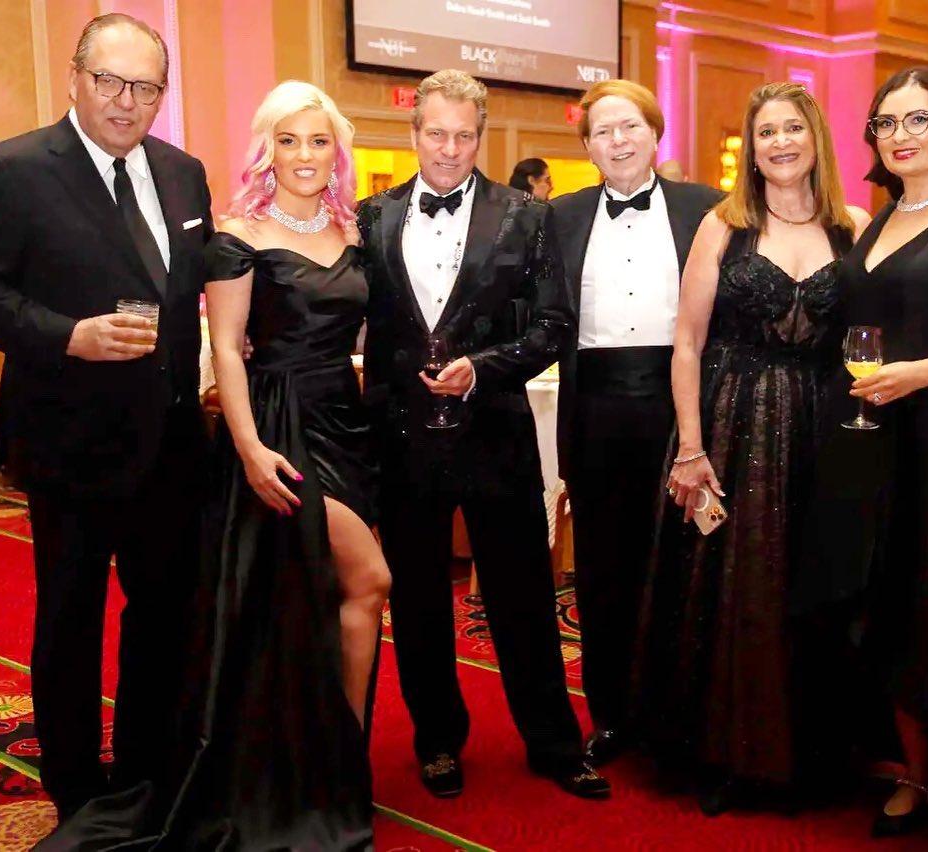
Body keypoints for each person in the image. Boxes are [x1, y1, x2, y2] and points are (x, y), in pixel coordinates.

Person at [38, 81, 388, 851]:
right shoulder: (237, 235)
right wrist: (251, 447)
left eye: (318, 141)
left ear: (337, 152)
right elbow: (226, 348)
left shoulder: (353, 230)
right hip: (277, 424)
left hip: (345, 423)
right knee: (369, 579)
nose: (304, 155)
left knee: (318, 595)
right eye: (288, 141)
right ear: (268, 150)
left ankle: (333, 762)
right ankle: (335, 763)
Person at [358, 69, 609, 800]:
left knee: (522, 593)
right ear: (414, 133)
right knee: (417, 600)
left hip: (495, 431)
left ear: (481, 136)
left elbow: (553, 326)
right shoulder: (370, 217)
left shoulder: (527, 216)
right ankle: (437, 741)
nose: (449, 149)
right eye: (436, 134)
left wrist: (484, 369)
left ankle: (554, 743)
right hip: (402, 435)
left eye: (463, 136)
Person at [0, 13, 212, 823]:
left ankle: (149, 764)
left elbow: (194, 290)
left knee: (164, 613)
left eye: (145, 87)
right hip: (70, 439)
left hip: (171, 443)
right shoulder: (14, 169)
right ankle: (76, 782)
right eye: (109, 81)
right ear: (76, 77)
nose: (126, 101)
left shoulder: (184, 173)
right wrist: (66, 336)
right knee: (70, 618)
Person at [633, 82, 870, 815]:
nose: (780, 142)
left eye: (792, 128)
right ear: (751, 147)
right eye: (766, 131)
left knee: (809, 581)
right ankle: (723, 754)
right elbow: (686, 341)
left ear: (815, 138)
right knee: (731, 585)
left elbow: (872, 335)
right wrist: (689, 448)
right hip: (730, 422)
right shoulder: (723, 225)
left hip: (822, 428)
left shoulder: (853, 227)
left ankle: (807, 756)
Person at [794, 67, 928, 838]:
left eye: (917, 119)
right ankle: (894, 756)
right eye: (885, 122)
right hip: (866, 437)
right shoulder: (874, 221)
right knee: (871, 596)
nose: (899, 135)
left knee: (926, 602)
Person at [552, 78, 721, 768]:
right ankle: (612, 716)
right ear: (587, 146)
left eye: (630, 127)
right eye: (602, 131)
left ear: (655, 134)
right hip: (593, 409)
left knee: (684, 565)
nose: (617, 141)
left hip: (677, 405)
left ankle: (682, 719)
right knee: (602, 571)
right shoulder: (558, 217)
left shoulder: (707, 209)